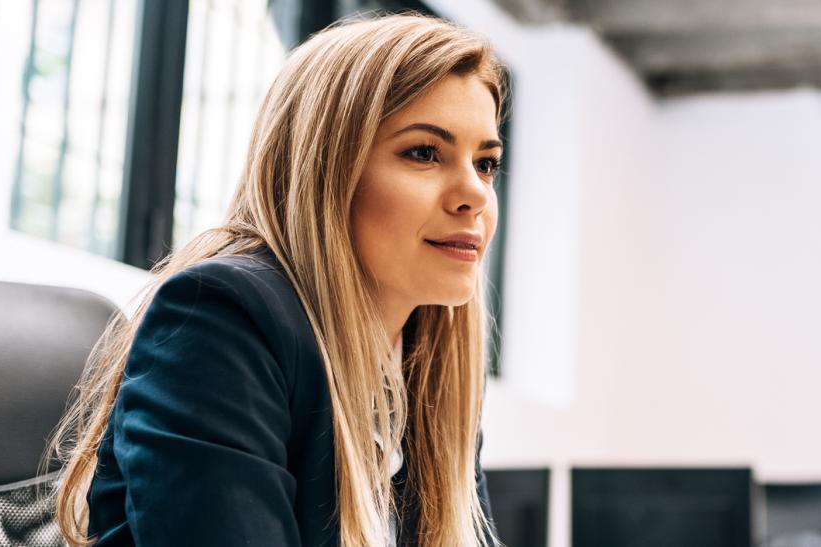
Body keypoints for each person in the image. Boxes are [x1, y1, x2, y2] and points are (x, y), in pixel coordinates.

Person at [49, 14, 506, 547]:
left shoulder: (426, 374)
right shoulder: (221, 319)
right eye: (424, 153)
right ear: (327, 169)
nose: (474, 193)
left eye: (487, 163)